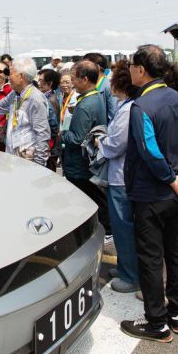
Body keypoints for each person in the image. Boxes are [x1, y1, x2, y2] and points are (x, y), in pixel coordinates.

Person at [120, 44, 178, 343]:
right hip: (176, 191)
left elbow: (149, 150)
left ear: (140, 69)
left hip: (152, 192)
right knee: (174, 250)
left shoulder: (141, 105)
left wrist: (170, 179)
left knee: (151, 257)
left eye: (131, 67)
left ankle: (157, 323)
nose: (130, 72)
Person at [98, 60, 140, 293]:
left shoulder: (127, 109)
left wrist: (100, 141)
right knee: (121, 226)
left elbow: (115, 145)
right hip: (120, 175)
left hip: (121, 177)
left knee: (124, 228)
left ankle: (131, 275)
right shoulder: (125, 106)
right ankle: (125, 267)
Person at [0, 57, 50, 166]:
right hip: (14, 158)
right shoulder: (15, 94)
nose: (8, 77)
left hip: (28, 164)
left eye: (11, 73)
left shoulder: (36, 99)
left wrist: (39, 167)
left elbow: (42, 135)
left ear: (21, 76)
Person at [61, 61, 109, 232]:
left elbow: (77, 138)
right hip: (85, 162)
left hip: (79, 164)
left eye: (74, 79)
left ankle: (102, 229)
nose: (72, 82)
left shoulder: (87, 104)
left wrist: (63, 133)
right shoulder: (94, 98)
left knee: (86, 199)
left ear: (85, 79)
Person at [38, 68, 62, 171]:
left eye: (41, 81)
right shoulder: (45, 97)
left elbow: (53, 126)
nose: (38, 83)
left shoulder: (51, 100)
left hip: (50, 146)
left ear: (50, 83)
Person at [83, 52, 116, 122]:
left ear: (97, 67)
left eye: (85, 66)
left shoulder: (109, 87)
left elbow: (113, 116)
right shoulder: (89, 85)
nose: (82, 70)